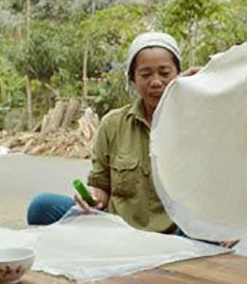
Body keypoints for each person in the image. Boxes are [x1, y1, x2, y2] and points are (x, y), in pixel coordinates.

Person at [26, 32, 181, 233]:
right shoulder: (113, 124)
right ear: (132, 78)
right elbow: (101, 186)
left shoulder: (196, 122)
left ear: (179, 74)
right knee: (41, 206)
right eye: (145, 74)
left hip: (173, 234)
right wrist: (92, 198)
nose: (156, 82)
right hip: (116, 230)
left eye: (165, 73)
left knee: (207, 233)